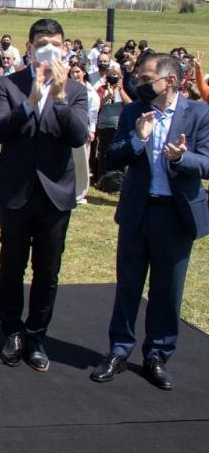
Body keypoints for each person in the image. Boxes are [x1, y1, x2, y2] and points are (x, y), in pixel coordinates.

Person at [90, 54, 209, 390]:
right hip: (137, 211)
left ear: (168, 81)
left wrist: (183, 158)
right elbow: (110, 158)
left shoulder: (199, 114)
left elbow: (208, 163)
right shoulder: (132, 112)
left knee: (167, 290)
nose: (138, 84)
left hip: (175, 214)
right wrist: (138, 139)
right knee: (128, 285)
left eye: (145, 79)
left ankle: (157, 354)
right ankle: (118, 350)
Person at [0, 18, 89, 373]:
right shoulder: (8, 85)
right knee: (12, 265)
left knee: (47, 270)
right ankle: (12, 330)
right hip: (16, 191)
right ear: (29, 47)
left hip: (55, 193)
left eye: (55, 42)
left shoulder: (76, 90)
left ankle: (37, 336)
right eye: (41, 42)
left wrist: (58, 98)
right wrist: (30, 101)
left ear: (65, 47)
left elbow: (78, 137)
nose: (48, 48)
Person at [68, 63, 99, 204]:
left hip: (82, 129)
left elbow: (92, 114)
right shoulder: (66, 88)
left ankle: (80, 193)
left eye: (77, 72)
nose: (75, 75)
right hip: (66, 128)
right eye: (72, 72)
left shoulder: (90, 91)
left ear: (84, 73)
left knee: (81, 162)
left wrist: (92, 130)